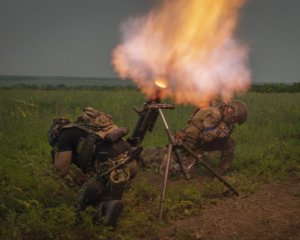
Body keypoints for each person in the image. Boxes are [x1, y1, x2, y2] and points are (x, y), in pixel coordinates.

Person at [48, 107, 139, 228]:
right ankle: (110, 205)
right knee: (109, 191)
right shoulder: (85, 128)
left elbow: (61, 171)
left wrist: (56, 150)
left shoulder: (65, 135)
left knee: (81, 205)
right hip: (131, 162)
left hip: (109, 167)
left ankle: (100, 212)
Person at [176, 99, 248, 175]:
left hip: (202, 141)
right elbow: (207, 136)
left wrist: (225, 129)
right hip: (192, 142)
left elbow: (221, 136)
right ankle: (187, 161)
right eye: (234, 119)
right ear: (230, 110)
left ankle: (221, 174)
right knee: (183, 166)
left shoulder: (223, 116)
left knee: (229, 143)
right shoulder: (215, 114)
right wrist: (223, 125)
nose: (233, 121)